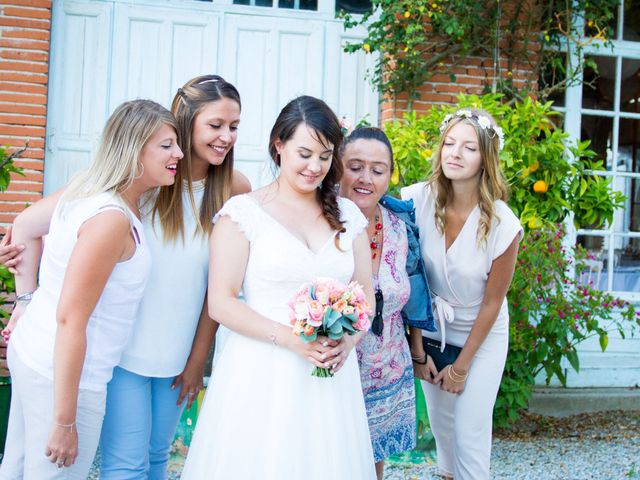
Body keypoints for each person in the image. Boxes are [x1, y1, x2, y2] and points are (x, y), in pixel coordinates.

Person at [0, 74, 251, 479]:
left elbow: (217, 287)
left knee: (158, 458)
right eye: (215, 125)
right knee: (125, 465)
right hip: (121, 355)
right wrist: (25, 302)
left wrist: (197, 360)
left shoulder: (234, 189)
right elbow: (27, 225)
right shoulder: (145, 181)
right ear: (186, 124)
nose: (226, 137)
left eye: (234, 126)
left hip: (176, 355)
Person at [181, 96, 376, 480]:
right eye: (304, 153)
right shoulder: (242, 214)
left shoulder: (349, 216)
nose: (315, 167)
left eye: (324, 156)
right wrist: (292, 340)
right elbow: (220, 302)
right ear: (279, 145)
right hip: (261, 370)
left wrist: (346, 343)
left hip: (330, 377)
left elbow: (365, 294)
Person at [0, 99, 182, 479]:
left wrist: (25, 300)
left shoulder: (86, 188)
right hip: (67, 377)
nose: (178, 154)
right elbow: (71, 320)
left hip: (37, 354)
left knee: (16, 468)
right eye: (166, 145)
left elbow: (24, 225)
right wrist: (65, 422)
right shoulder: (110, 221)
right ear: (134, 150)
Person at [401, 108, 522, 480]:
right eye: (449, 143)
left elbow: (492, 302)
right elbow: (413, 278)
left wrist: (462, 367)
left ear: (486, 157)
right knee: (443, 432)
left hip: (481, 335)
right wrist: (417, 351)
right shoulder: (416, 201)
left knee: (469, 432)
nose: (454, 153)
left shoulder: (503, 224)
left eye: (468, 147)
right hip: (431, 329)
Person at [339, 127, 435, 480]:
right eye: (355, 166)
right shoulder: (323, 221)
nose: (366, 179)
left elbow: (414, 291)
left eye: (378, 170)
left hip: (389, 363)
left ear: (389, 176)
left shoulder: (399, 225)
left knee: (374, 461)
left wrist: (418, 353)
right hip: (339, 364)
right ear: (337, 168)